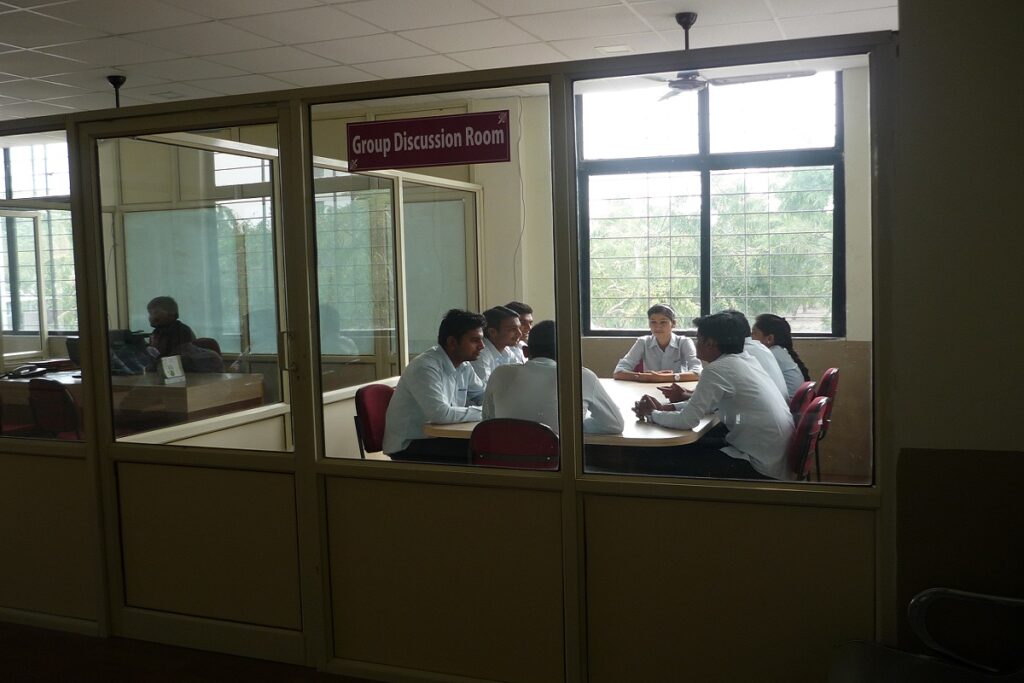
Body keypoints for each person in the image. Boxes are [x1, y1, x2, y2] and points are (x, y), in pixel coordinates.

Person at [631, 311, 795, 481]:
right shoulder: (745, 359)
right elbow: (708, 404)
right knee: (691, 446)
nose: (696, 343)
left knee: (655, 458)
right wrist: (667, 408)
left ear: (710, 343)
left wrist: (652, 414)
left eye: (698, 339)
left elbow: (686, 421)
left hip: (759, 467)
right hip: (775, 460)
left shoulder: (717, 370)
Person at [383, 309, 487, 464]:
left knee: (491, 445)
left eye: (481, 340)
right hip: (410, 444)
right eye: (475, 340)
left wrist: (496, 404)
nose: (482, 346)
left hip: (440, 436)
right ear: (452, 342)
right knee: (484, 451)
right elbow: (440, 414)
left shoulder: (463, 365)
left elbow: (483, 394)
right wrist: (485, 412)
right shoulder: (425, 367)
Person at [483, 320, 623, 436]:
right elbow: (614, 424)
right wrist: (574, 424)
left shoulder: (499, 374)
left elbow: (488, 421)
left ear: (525, 351)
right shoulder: (581, 377)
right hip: (561, 461)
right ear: (570, 351)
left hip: (503, 458)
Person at [613, 304, 702, 383]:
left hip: (677, 389)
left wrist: (662, 378)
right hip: (648, 389)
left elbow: (698, 372)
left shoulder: (684, 342)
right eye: (653, 322)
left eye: (663, 322)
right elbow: (618, 372)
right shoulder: (643, 342)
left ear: (673, 323)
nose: (658, 326)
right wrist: (642, 377)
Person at [752, 314, 811, 400]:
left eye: (754, 333)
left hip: (788, 405)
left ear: (769, 339)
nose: (750, 337)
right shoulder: (780, 351)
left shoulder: (771, 354)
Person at [471, 305, 522, 383]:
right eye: (513, 329)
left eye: (519, 328)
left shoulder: (508, 350)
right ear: (492, 332)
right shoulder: (480, 354)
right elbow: (486, 388)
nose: (519, 333)